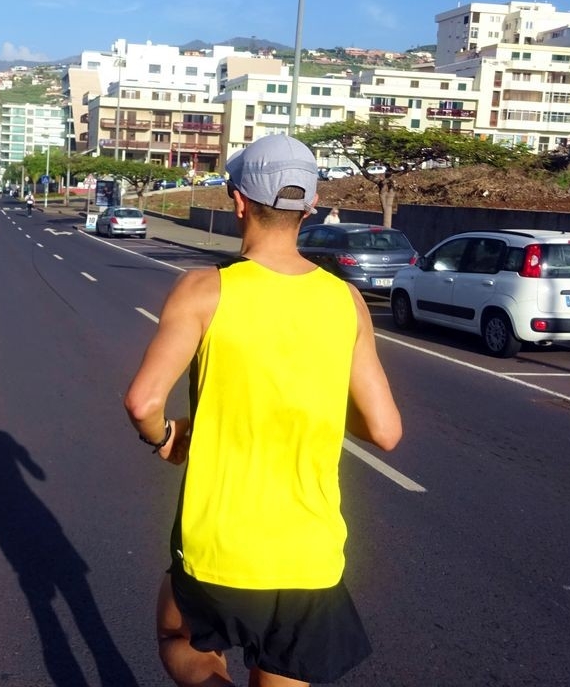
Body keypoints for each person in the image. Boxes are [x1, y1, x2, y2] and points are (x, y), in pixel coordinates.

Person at [124, 134, 403, 687]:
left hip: (217, 547)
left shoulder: (205, 290)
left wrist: (165, 438)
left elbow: (143, 402)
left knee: (178, 636)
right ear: (311, 206)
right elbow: (385, 431)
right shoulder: (345, 301)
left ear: (238, 201)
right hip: (309, 556)